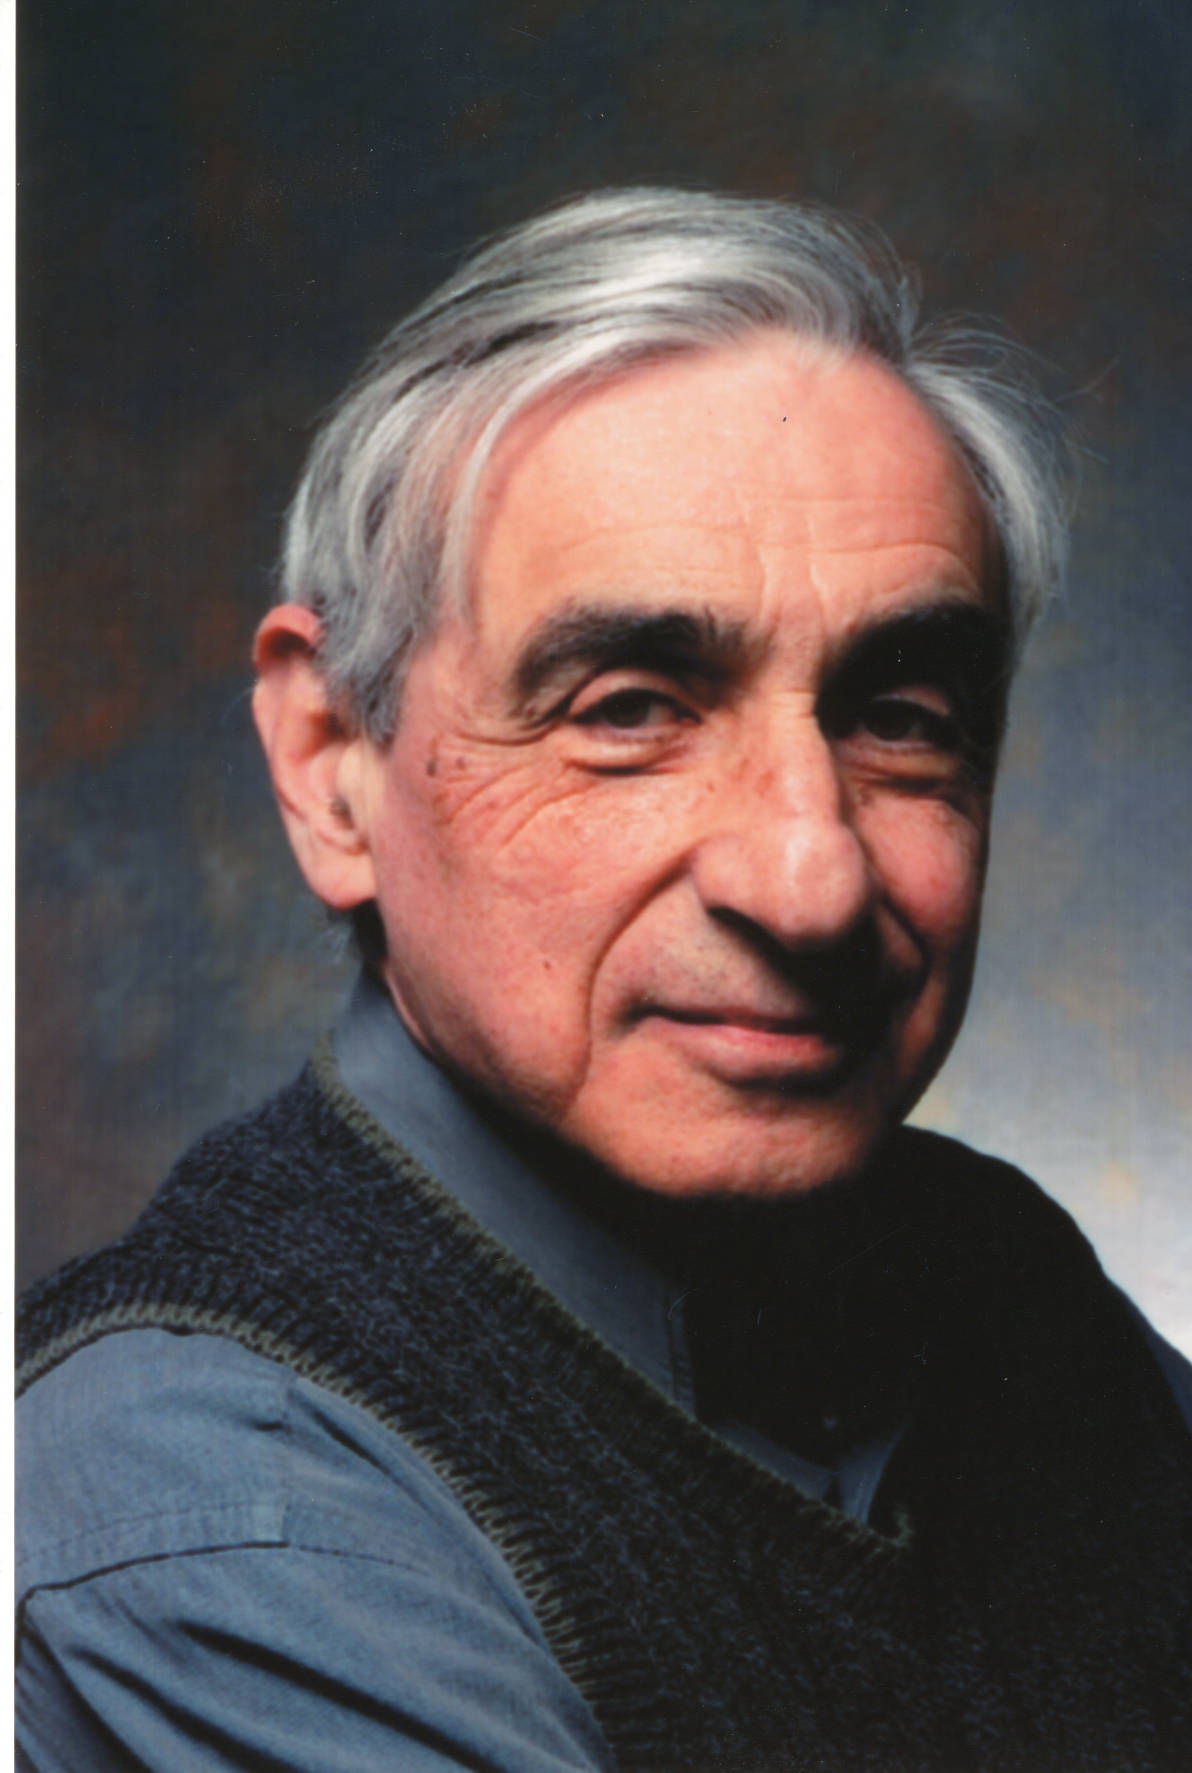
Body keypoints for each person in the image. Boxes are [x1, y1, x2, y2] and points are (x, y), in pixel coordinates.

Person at [16, 189, 1192, 1772]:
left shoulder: (1011, 1285)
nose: (811, 876)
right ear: (331, 764)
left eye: (900, 717)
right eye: (631, 706)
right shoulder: (224, 1500)